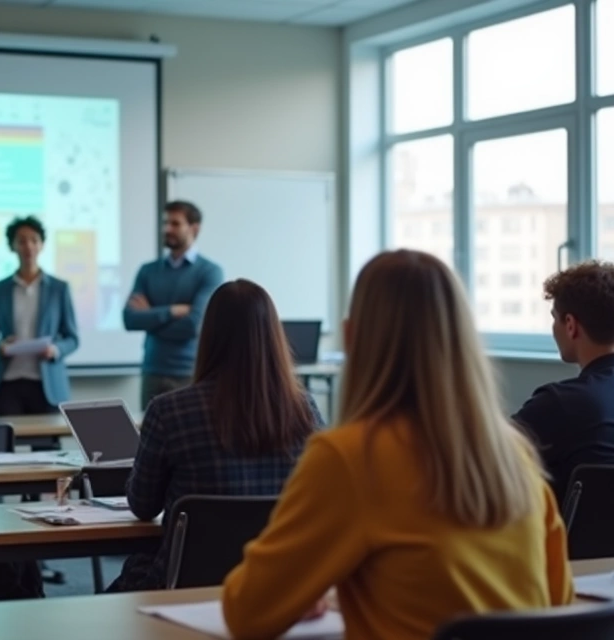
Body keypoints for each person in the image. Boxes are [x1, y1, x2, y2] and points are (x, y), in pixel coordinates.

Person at [221, 250, 573, 640]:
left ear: (353, 336)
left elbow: (246, 613)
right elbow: (557, 599)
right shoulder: (514, 452)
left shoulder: (349, 457)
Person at [110, 279, 322, 592]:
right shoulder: (306, 411)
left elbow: (142, 505)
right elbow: (322, 500)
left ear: (207, 336)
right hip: (283, 588)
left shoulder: (170, 411)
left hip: (184, 591)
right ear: (274, 337)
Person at [512, 261, 614, 506]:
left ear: (570, 325)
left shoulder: (561, 404)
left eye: (554, 318)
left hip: (574, 544)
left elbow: (483, 455)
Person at [123, 200, 223, 410]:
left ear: (194, 228)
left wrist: (150, 316)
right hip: (152, 370)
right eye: (165, 222)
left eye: (175, 223)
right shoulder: (148, 270)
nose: (167, 229)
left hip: (189, 373)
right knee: (150, 438)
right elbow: (130, 319)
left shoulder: (210, 272)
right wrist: (171, 311)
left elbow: (193, 325)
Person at [0, 216, 79, 416]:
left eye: (34, 240)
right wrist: (0, 348)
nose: (28, 246)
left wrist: (56, 349)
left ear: (41, 245)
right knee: (4, 443)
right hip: (7, 383)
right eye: (21, 241)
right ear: (12, 246)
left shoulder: (59, 289)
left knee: (48, 445)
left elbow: (72, 338)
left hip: (47, 384)